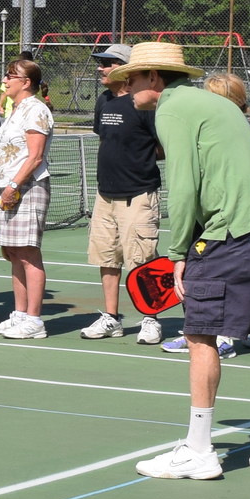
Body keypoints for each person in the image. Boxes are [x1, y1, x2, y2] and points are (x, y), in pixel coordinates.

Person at [112, 42, 250, 482]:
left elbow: (184, 185)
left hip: (231, 232)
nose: (126, 86)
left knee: (199, 333)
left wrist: (179, 252)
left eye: (133, 78)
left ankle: (199, 451)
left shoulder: (172, 110)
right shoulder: (211, 104)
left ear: (155, 79)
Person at [85, 41, 166, 343]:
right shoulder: (104, 100)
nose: (101, 68)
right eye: (101, 62)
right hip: (105, 194)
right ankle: (111, 318)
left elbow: (162, 146)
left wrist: (139, 160)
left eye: (108, 63)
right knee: (107, 257)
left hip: (139, 194)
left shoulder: (143, 102)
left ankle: (150, 319)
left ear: (127, 69)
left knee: (142, 259)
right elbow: (105, 137)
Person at [0, 56, 55, 339]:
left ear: (26, 82)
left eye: (10, 76)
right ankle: (19, 314)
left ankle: (34, 320)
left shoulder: (36, 110)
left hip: (27, 188)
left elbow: (35, 155)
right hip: (8, 189)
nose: (4, 80)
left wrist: (15, 184)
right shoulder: (16, 110)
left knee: (28, 254)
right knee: (13, 253)